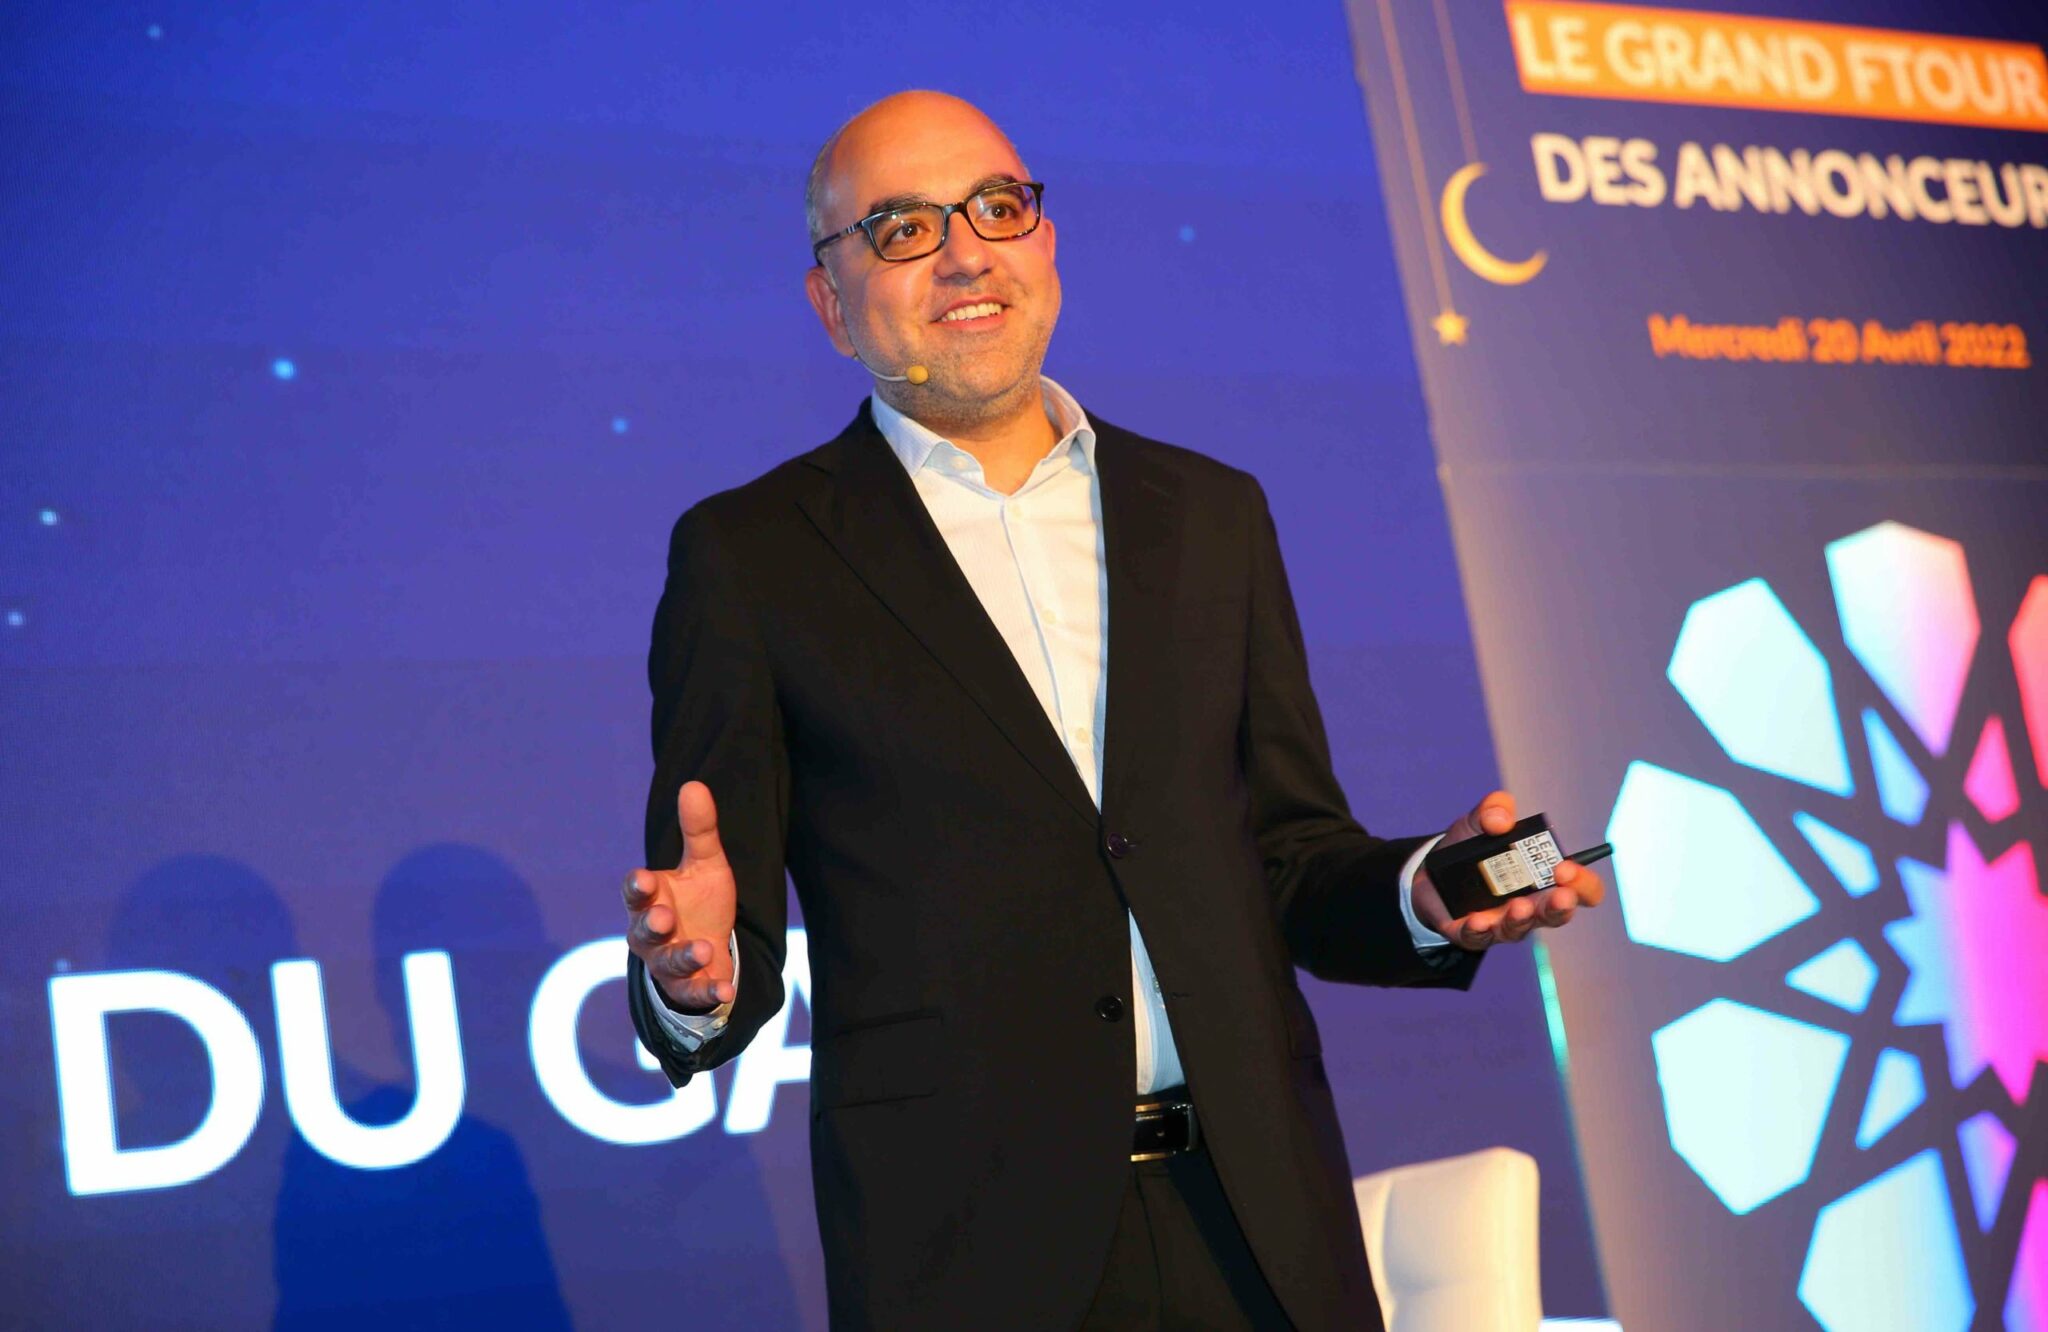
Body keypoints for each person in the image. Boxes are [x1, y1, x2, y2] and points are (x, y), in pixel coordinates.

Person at [620, 90, 1604, 1331]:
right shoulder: (751, 558)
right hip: (969, 1256)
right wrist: (694, 981)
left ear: (1044, 243)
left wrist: (1424, 894)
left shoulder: (1207, 513)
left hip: (1259, 1228)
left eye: (995, 208)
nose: (964, 254)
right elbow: (715, 930)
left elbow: (1289, 859)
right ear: (830, 303)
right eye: (902, 228)